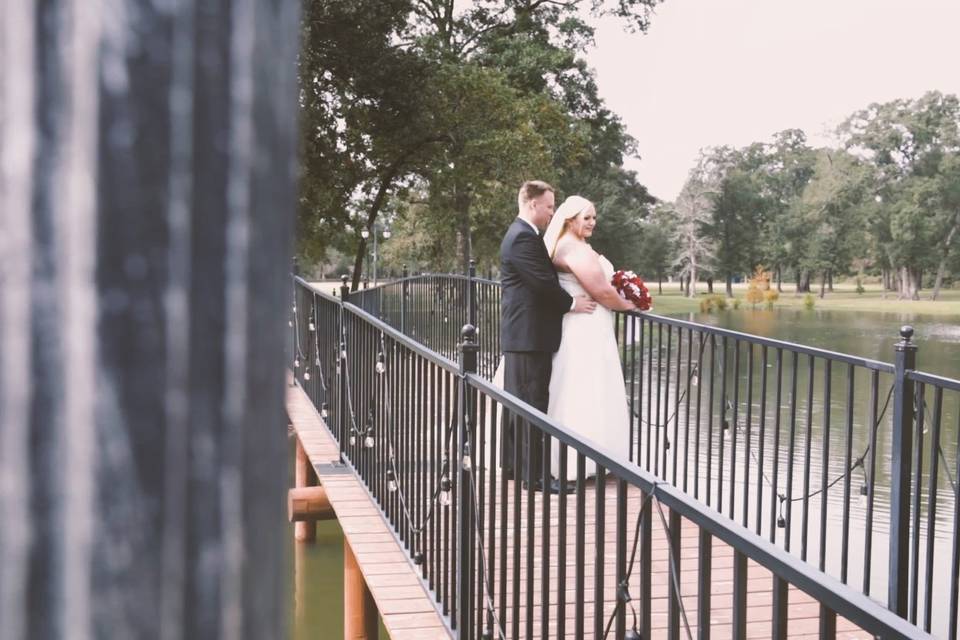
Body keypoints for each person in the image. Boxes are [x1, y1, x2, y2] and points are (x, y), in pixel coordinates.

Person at [499, 181, 596, 493]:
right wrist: (571, 303)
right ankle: (536, 477)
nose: (552, 212)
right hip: (529, 335)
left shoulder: (522, 235)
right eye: (549, 206)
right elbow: (542, 282)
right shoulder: (523, 238)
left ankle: (515, 466)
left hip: (523, 333)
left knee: (518, 402)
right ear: (533, 205)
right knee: (532, 404)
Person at [543, 195, 640, 480]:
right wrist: (628, 304)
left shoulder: (578, 245)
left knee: (596, 386)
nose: (592, 223)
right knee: (583, 388)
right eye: (586, 218)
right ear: (570, 219)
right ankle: (575, 463)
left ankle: (598, 457)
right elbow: (601, 291)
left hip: (591, 323)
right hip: (584, 326)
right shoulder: (572, 247)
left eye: (594, 218)